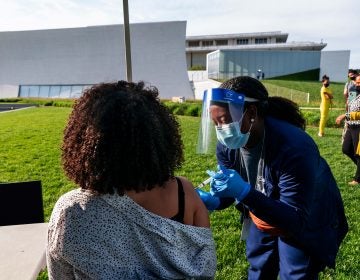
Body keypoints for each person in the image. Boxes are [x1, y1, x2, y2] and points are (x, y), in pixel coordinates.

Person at [46, 81, 217, 279]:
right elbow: (206, 266)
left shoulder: (71, 210)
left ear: (86, 143)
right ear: (160, 137)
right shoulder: (183, 191)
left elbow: (60, 275)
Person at [196, 76, 348, 279]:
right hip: (261, 210)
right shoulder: (227, 146)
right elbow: (233, 191)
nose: (221, 130)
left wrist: (243, 191)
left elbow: (294, 219)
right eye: (215, 122)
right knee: (259, 266)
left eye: (224, 120)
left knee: (295, 272)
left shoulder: (294, 147)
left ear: (251, 113)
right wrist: (215, 200)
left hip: (305, 216)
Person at [336, 75, 360, 185]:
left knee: (358, 154)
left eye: (359, 83)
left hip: (358, 127)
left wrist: (345, 116)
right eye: (356, 82)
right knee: (346, 149)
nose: (357, 84)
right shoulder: (353, 91)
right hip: (350, 126)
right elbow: (348, 106)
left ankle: (357, 179)